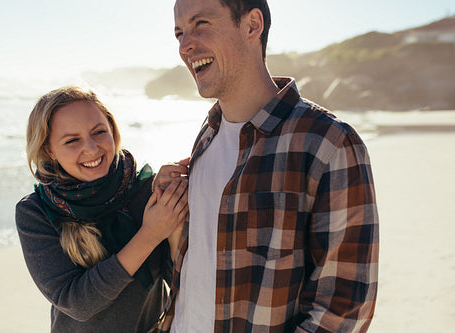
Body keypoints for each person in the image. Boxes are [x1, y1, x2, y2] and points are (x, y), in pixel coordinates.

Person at [161, 0, 380, 332]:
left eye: (200, 24)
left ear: (252, 26)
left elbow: (344, 309)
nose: (184, 45)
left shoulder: (328, 144)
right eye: (179, 32)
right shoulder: (207, 136)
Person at [15, 86, 189, 332]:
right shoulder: (36, 212)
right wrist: (150, 234)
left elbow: (178, 280)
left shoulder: (143, 190)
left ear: (112, 130)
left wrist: (172, 209)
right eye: (72, 140)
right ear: (49, 150)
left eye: (99, 132)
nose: (92, 149)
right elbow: (77, 304)